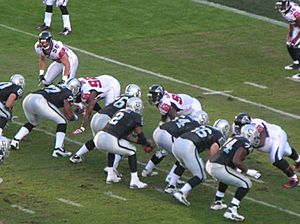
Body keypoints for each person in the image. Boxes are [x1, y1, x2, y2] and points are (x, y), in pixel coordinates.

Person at [73, 97, 155, 189]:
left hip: (99, 137)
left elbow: (127, 136)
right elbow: (139, 133)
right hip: (110, 138)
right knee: (132, 151)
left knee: (112, 149)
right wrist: (146, 143)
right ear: (137, 106)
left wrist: (143, 142)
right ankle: (134, 181)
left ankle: (111, 175)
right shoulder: (135, 116)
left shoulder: (121, 111)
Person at [69, 83, 141, 166]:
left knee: (95, 140)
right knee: (119, 141)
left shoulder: (120, 97)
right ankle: (112, 168)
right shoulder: (132, 102)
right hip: (105, 120)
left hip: (97, 116)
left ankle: (77, 156)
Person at [10, 78, 81, 157]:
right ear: (74, 88)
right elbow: (69, 115)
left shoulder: (59, 87)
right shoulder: (68, 93)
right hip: (40, 100)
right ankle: (58, 149)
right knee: (62, 121)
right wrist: (75, 116)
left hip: (28, 99)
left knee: (33, 122)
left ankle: (15, 141)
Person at [206, 125, 261, 222]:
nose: (256, 139)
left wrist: (239, 170)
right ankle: (232, 210)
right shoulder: (245, 143)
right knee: (246, 183)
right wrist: (249, 171)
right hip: (219, 167)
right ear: (249, 135)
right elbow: (236, 161)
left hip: (211, 164)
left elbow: (230, 158)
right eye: (255, 136)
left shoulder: (234, 138)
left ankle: (217, 202)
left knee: (228, 175)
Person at [171, 119, 231, 206]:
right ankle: (181, 192)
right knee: (201, 176)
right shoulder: (218, 135)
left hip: (177, 142)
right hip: (188, 146)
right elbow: (213, 150)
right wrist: (213, 169)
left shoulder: (205, 127)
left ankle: (171, 185)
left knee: (182, 164)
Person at [233, 112, 300, 188]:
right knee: (287, 151)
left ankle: (294, 180)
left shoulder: (256, 124)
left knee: (276, 159)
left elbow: (261, 142)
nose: (239, 128)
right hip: (270, 141)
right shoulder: (236, 127)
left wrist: (249, 145)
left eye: (241, 126)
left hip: (276, 136)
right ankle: (299, 161)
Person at [141, 111, 209, 180]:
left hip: (158, 131)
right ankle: (171, 179)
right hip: (167, 136)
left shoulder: (186, 117)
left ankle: (147, 170)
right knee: (183, 156)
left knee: (164, 151)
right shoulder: (195, 126)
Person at [275, 0, 300, 79]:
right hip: (297, 26)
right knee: (289, 43)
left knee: (295, 46)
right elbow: (291, 22)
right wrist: (291, 32)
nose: (280, 7)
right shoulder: (286, 10)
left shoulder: (295, 13)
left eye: (281, 5)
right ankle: (296, 63)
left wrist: (295, 39)